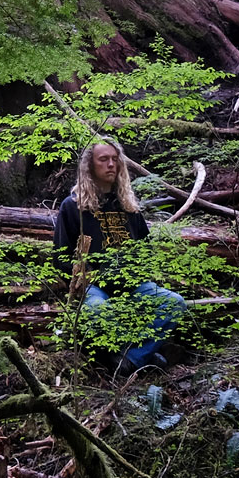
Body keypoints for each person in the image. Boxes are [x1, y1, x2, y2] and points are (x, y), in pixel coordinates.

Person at [53, 140, 184, 370]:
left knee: (174, 303)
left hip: (133, 285)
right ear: (90, 166)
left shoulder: (128, 206)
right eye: (103, 159)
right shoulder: (73, 206)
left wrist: (140, 275)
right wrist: (82, 279)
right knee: (97, 310)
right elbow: (60, 257)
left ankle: (131, 358)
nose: (111, 164)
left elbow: (146, 249)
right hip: (94, 286)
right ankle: (139, 355)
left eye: (115, 159)